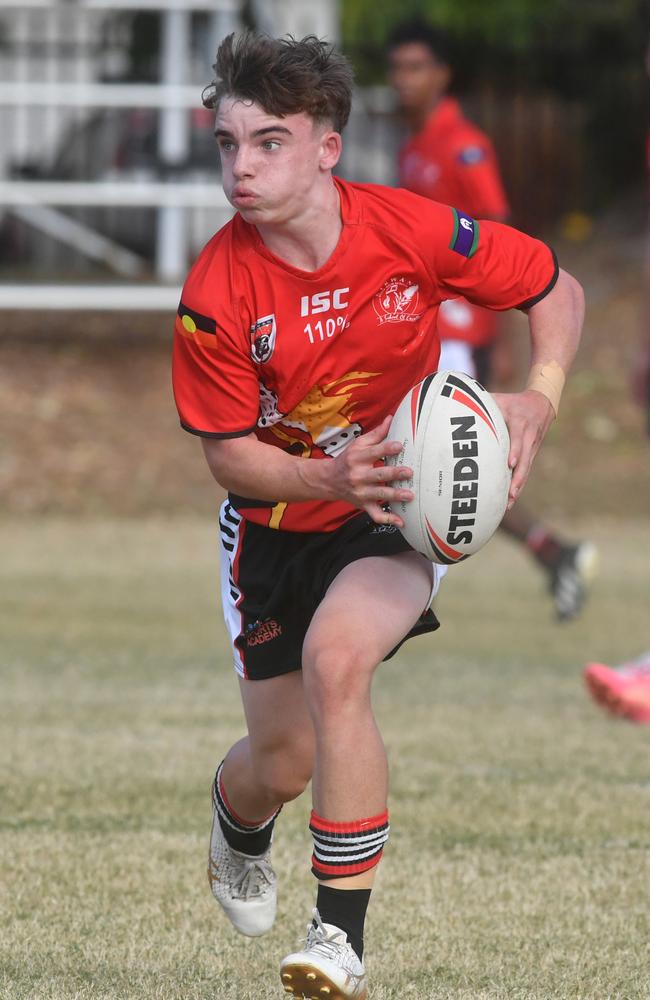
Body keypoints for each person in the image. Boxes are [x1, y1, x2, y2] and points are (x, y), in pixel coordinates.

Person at [172, 32, 584, 999]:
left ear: (327, 146)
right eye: (227, 144)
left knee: (338, 663)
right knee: (282, 758)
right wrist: (328, 479)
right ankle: (239, 826)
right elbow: (230, 456)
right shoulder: (213, 294)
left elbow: (552, 286)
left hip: (390, 513)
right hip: (275, 529)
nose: (240, 166)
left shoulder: (408, 228)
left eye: (268, 142)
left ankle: (336, 938)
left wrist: (541, 397)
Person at [388, 18, 597, 622]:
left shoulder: (462, 144)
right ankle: (554, 552)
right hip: (426, 330)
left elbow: (503, 245)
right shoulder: (413, 145)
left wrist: (503, 337)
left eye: (416, 68)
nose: (404, 81)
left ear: (442, 74)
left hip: (463, 336)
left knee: (448, 463)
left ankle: (546, 552)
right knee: (439, 463)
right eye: (398, 68)